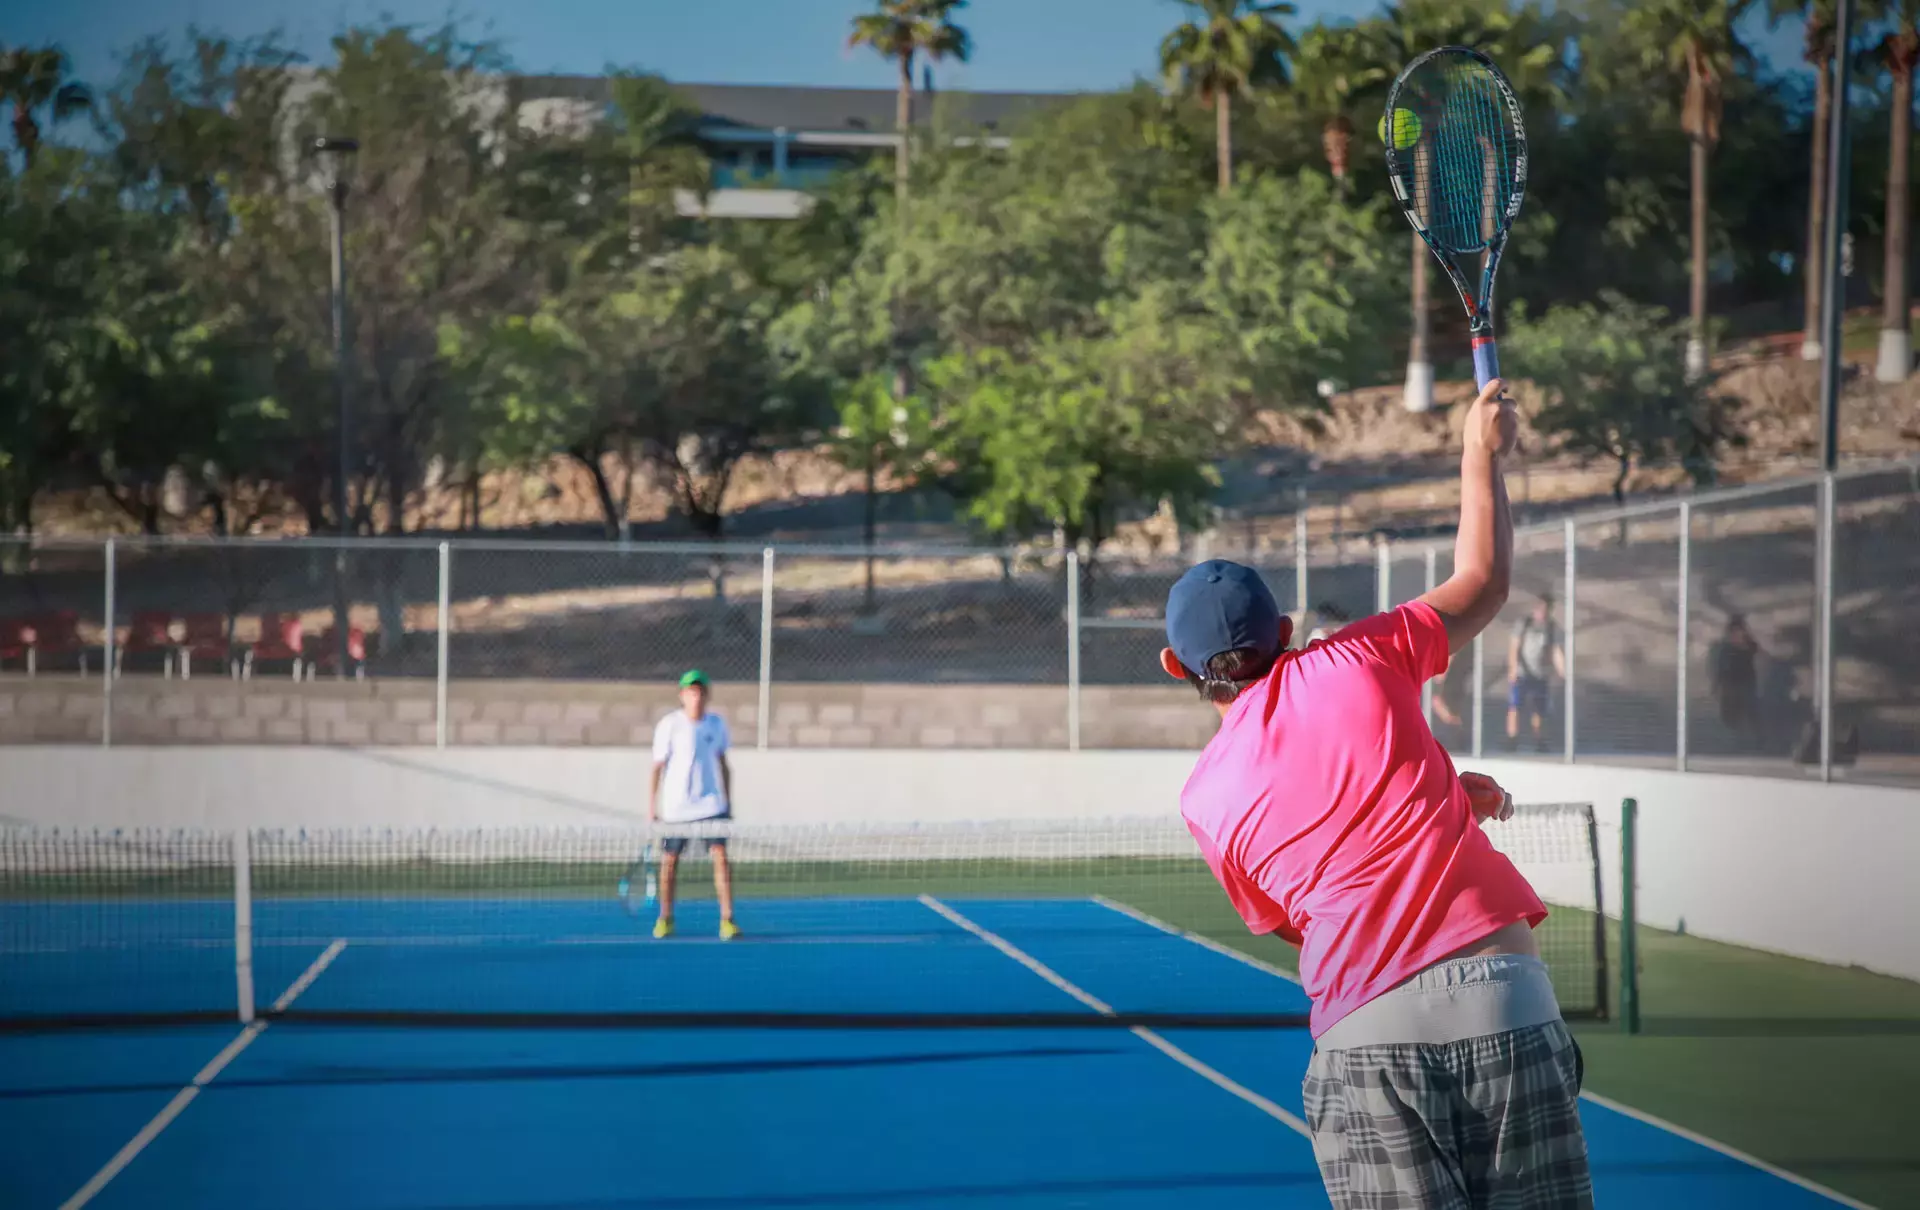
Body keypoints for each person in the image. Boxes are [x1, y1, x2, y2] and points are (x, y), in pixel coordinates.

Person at [1160, 377, 1592, 1210]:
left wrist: (1436, 798)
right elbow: (1485, 582)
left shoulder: (1204, 800)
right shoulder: (1353, 656)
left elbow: (1318, 906)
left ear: (1176, 668)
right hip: (1504, 997)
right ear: (1284, 632)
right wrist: (1479, 450)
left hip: (1366, 1039)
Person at [648, 669, 740, 940]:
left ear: (706, 695)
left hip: (712, 805)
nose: (695, 696)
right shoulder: (669, 725)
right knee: (670, 862)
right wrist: (652, 807)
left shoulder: (717, 724)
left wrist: (728, 801)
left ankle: (727, 919)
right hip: (677, 808)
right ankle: (665, 918)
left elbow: (724, 765)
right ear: (682, 695)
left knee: (721, 859)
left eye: (699, 691)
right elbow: (657, 768)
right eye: (690, 691)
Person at [1507, 594, 1565, 752]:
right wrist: (1513, 668)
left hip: (1540, 674)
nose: (1542, 612)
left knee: (1539, 708)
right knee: (1515, 706)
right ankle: (1512, 740)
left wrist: (1562, 671)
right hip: (1521, 672)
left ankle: (1539, 740)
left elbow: (1556, 651)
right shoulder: (1524, 623)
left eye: (1546, 609)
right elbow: (1514, 646)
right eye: (1540, 608)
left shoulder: (1552, 628)